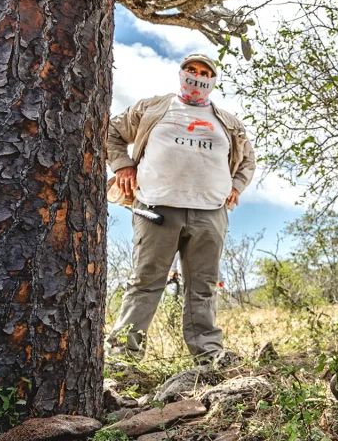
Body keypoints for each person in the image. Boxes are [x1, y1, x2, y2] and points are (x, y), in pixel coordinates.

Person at [105, 54, 256, 360]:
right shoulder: (152, 108)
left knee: (203, 286)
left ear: (212, 81)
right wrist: (123, 167)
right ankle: (124, 357)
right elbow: (111, 133)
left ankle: (208, 357)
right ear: (181, 73)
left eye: (204, 73)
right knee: (145, 282)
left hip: (210, 212)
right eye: (191, 70)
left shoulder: (228, 122)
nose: (197, 77)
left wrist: (236, 186)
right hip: (156, 208)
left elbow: (248, 160)